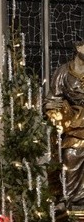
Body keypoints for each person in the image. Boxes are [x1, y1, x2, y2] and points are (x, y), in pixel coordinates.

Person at [45, 41, 84, 210]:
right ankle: (73, 201)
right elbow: (52, 99)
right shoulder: (63, 72)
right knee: (71, 155)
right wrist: (52, 107)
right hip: (72, 123)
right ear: (78, 48)